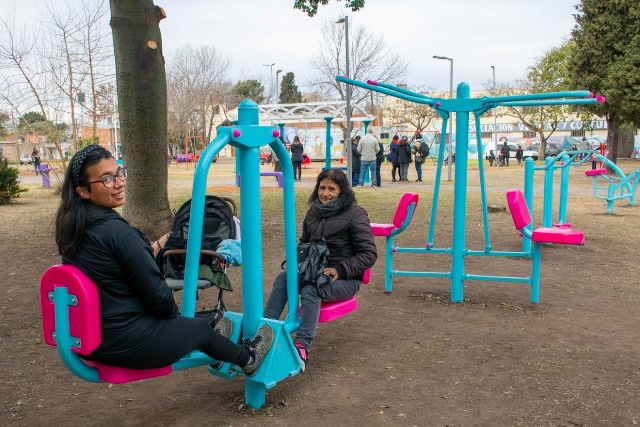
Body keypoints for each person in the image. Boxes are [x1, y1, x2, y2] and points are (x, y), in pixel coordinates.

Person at [54, 144, 274, 375]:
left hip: (92, 339)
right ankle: (248, 357)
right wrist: (174, 322)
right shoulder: (119, 234)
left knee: (188, 328)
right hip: (128, 344)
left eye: (119, 172)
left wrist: (157, 245)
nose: (119, 183)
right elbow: (158, 297)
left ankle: (217, 350)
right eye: (107, 179)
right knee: (197, 328)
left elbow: (112, 270)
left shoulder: (72, 229)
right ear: (83, 191)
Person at [264, 168, 377, 371]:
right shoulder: (313, 213)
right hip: (314, 271)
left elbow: (368, 254)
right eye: (322, 188)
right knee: (284, 278)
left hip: (344, 279)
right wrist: (298, 261)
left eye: (331, 189)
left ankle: (302, 346)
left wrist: (340, 269)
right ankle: (266, 329)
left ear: (342, 191)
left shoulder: (355, 214)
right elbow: (305, 243)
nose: (325, 193)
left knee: (311, 288)